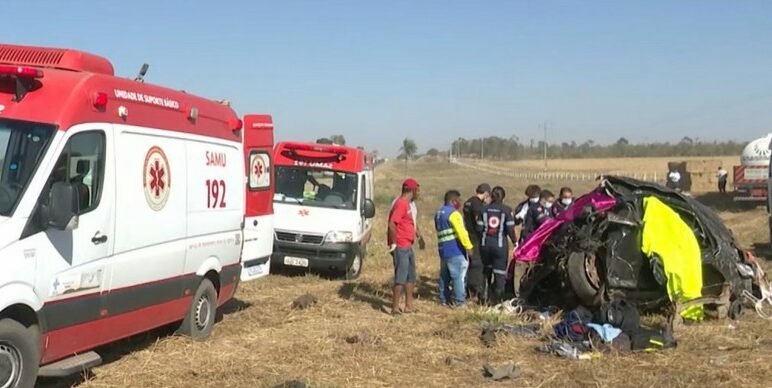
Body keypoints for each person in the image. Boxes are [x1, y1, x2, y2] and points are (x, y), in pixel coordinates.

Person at [434, 190, 474, 307]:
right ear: (452, 201)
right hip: (455, 250)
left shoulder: (439, 213)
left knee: (444, 276)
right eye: (458, 200)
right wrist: (469, 247)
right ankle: (459, 302)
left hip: (443, 250)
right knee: (458, 277)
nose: (460, 203)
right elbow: (462, 233)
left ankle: (443, 300)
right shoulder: (454, 214)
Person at [478, 186, 517, 304]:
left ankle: (484, 297)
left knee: (486, 271)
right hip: (500, 246)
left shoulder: (483, 210)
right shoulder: (506, 210)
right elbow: (510, 229)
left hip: (485, 244)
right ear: (503, 197)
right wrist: (515, 242)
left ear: (491, 196)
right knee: (499, 273)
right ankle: (498, 300)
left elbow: (479, 228)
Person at [387, 178, 420, 314]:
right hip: (401, 245)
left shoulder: (408, 204)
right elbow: (392, 224)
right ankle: (395, 307)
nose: (419, 193)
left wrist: (418, 235)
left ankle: (409, 305)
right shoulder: (401, 204)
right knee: (400, 277)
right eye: (417, 190)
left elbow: (411, 223)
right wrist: (394, 243)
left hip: (408, 244)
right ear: (411, 190)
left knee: (410, 275)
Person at [462, 183, 491, 303]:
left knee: (471, 263)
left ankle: (469, 288)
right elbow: (478, 220)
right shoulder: (476, 204)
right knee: (477, 264)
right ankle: (474, 290)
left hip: (468, 234)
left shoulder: (468, 202)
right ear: (486, 193)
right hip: (475, 237)